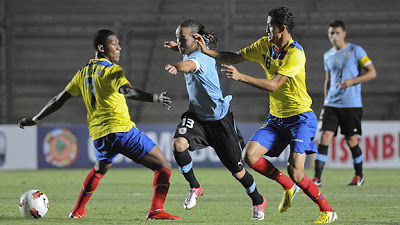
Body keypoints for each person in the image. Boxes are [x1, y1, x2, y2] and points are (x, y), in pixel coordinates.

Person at [18, 29, 181, 221]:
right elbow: (128, 92)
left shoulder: (83, 73)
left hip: (99, 136)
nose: (119, 47)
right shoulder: (112, 70)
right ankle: (156, 211)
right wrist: (154, 97)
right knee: (163, 166)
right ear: (101, 48)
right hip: (121, 130)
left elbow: (58, 100)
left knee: (100, 169)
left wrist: (35, 119)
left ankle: (77, 211)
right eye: (115, 44)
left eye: (119, 43)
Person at [196, 7, 337, 223]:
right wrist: (206, 51)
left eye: (270, 26)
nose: (266, 29)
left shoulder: (295, 54)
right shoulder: (264, 45)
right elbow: (234, 57)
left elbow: (273, 85)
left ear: (282, 29)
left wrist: (242, 78)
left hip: (300, 118)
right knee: (249, 156)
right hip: (276, 119)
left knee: (296, 171)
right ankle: (287, 185)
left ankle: (327, 211)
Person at [163, 19, 279, 221]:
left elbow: (189, 65)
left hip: (219, 120)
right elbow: (185, 54)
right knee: (178, 144)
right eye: (177, 39)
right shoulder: (189, 48)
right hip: (197, 116)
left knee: (238, 171)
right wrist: (177, 48)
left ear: (197, 39)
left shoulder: (200, 57)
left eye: (182, 39)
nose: (179, 43)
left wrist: (176, 65)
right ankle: (195, 187)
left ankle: (258, 199)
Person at [312, 20, 377, 187]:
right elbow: (327, 81)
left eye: (337, 33)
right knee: (324, 137)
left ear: (344, 34)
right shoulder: (327, 55)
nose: (334, 36)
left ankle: (359, 175)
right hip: (332, 104)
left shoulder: (356, 50)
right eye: (331, 33)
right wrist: (325, 102)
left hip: (351, 104)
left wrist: (353, 81)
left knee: (350, 139)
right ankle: (317, 178)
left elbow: (372, 73)